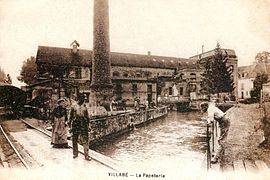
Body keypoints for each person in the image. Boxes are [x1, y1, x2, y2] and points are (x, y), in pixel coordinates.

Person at [69, 94, 90, 160]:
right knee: (74, 139)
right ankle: (75, 154)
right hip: (76, 124)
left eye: (84, 98)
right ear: (79, 98)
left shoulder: (85, 106)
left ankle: (86, 155)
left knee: (85, 140)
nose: (84, 100)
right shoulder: (73, 106)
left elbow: (87, 117)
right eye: (83, 98)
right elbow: (70, 116)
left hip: (83, 124)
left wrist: (88, 126)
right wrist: (70, 126)